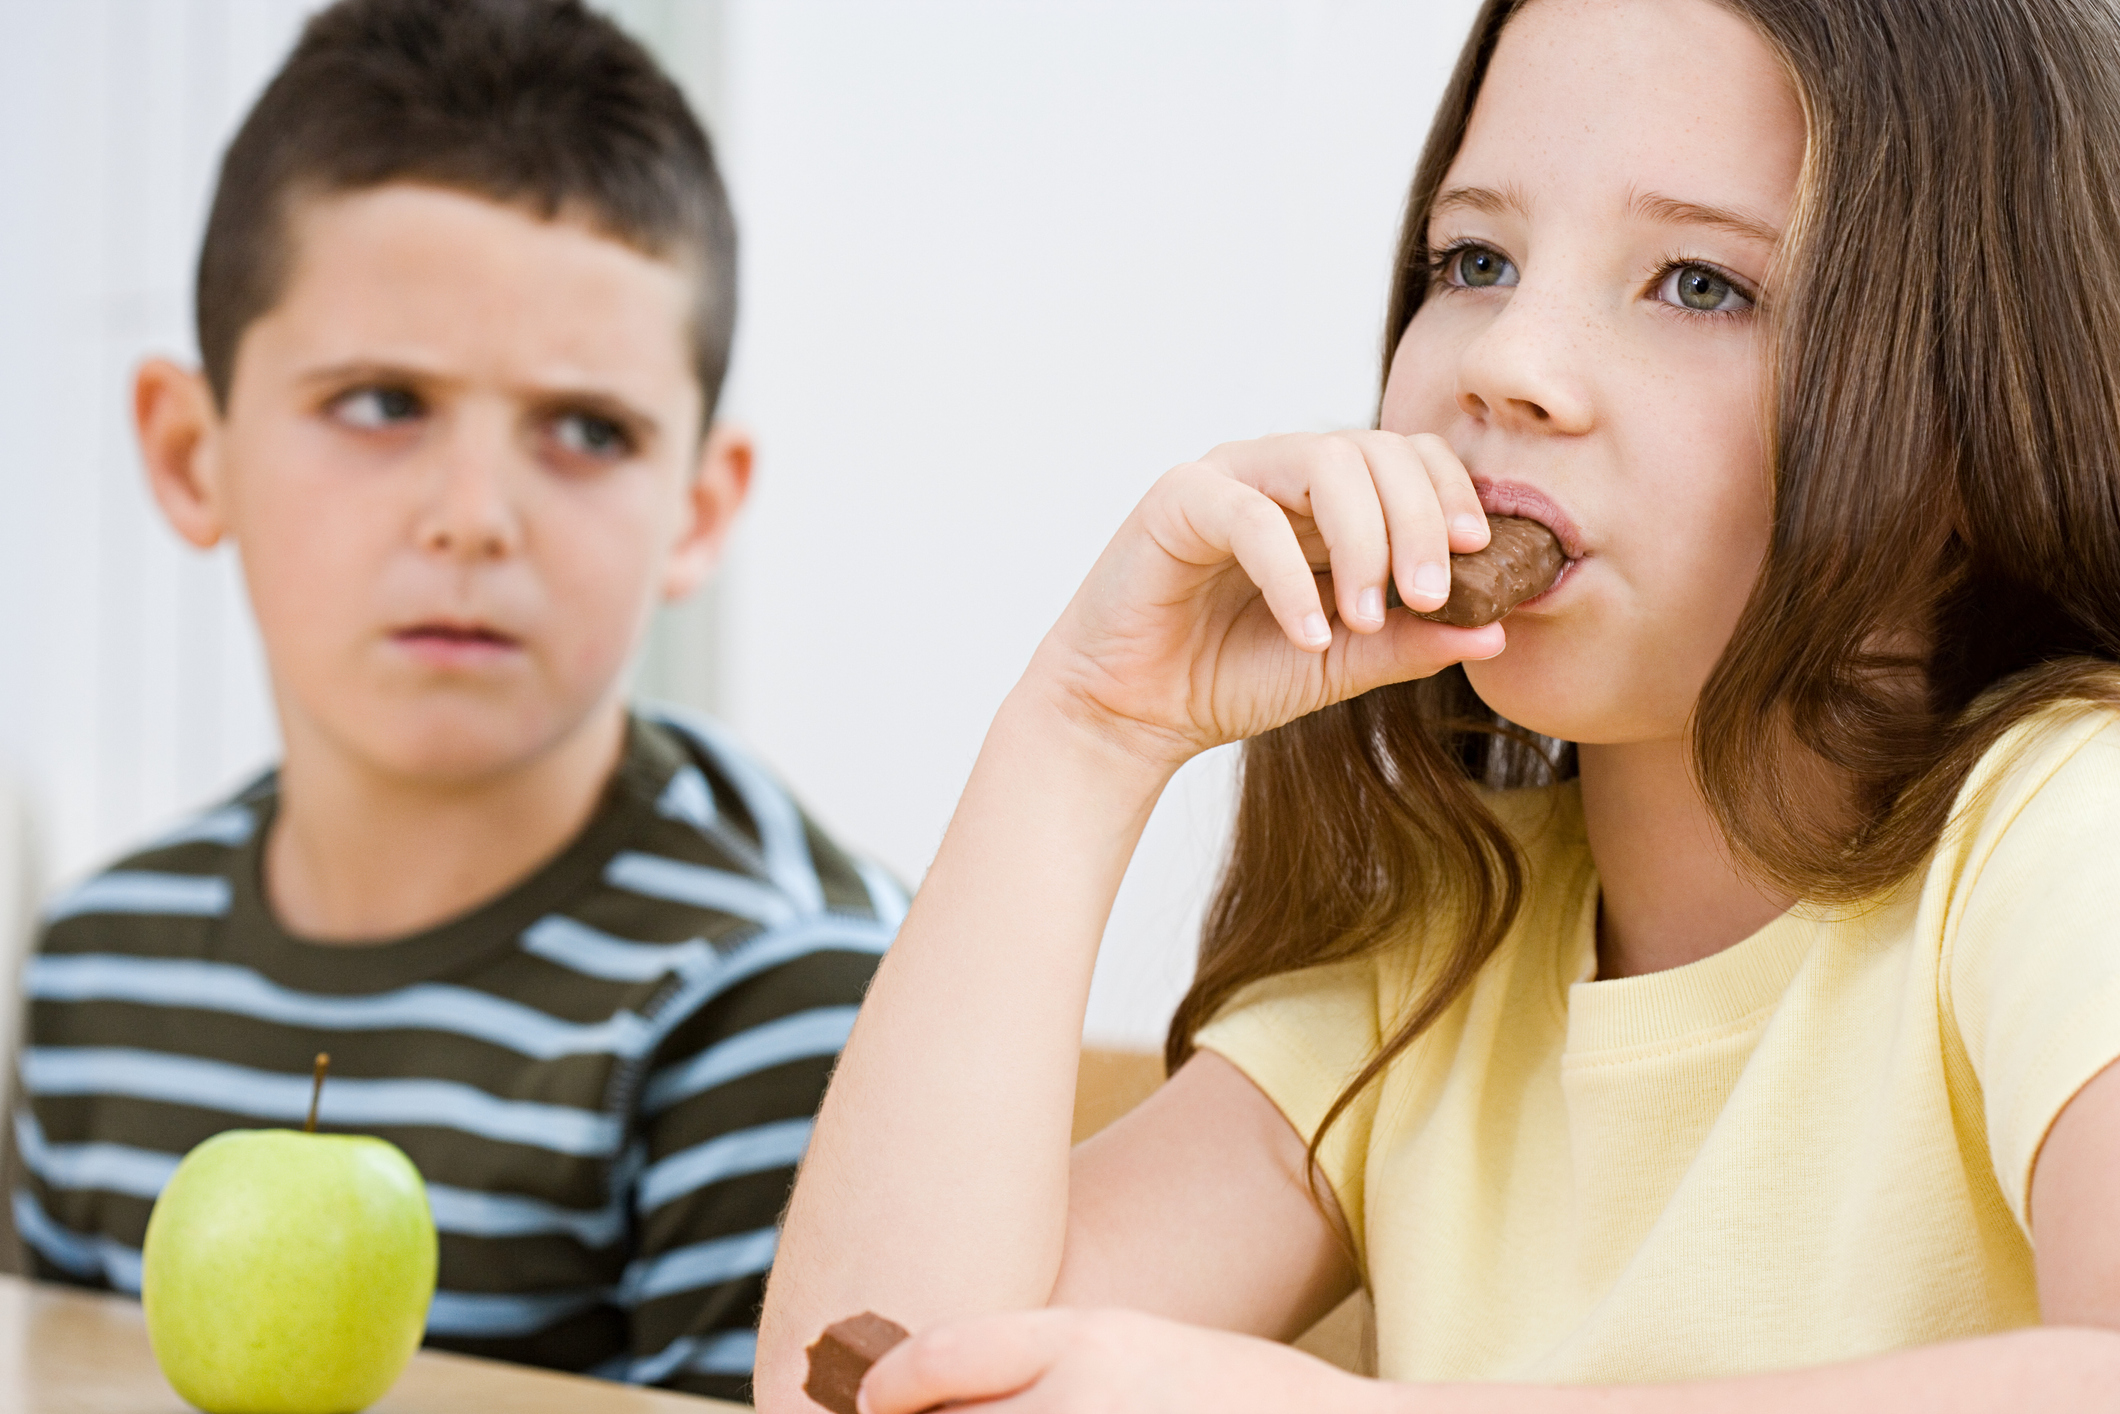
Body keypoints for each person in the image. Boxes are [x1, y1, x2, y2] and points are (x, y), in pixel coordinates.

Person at [757, 0, 2120, 1408]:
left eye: (1701, 284)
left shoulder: (2068, 833)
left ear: (1981, 404)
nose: (1504, 362)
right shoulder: (1447, 935)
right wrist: (1086, 731)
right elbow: (868, 1372)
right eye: (1475, 259)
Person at [11, 0, 900, 1401]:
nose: (475, 518)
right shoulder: (98, 965)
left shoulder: (773, 1004)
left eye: (587, 430)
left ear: (697, 509)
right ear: (193, 453)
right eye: (379, 402)